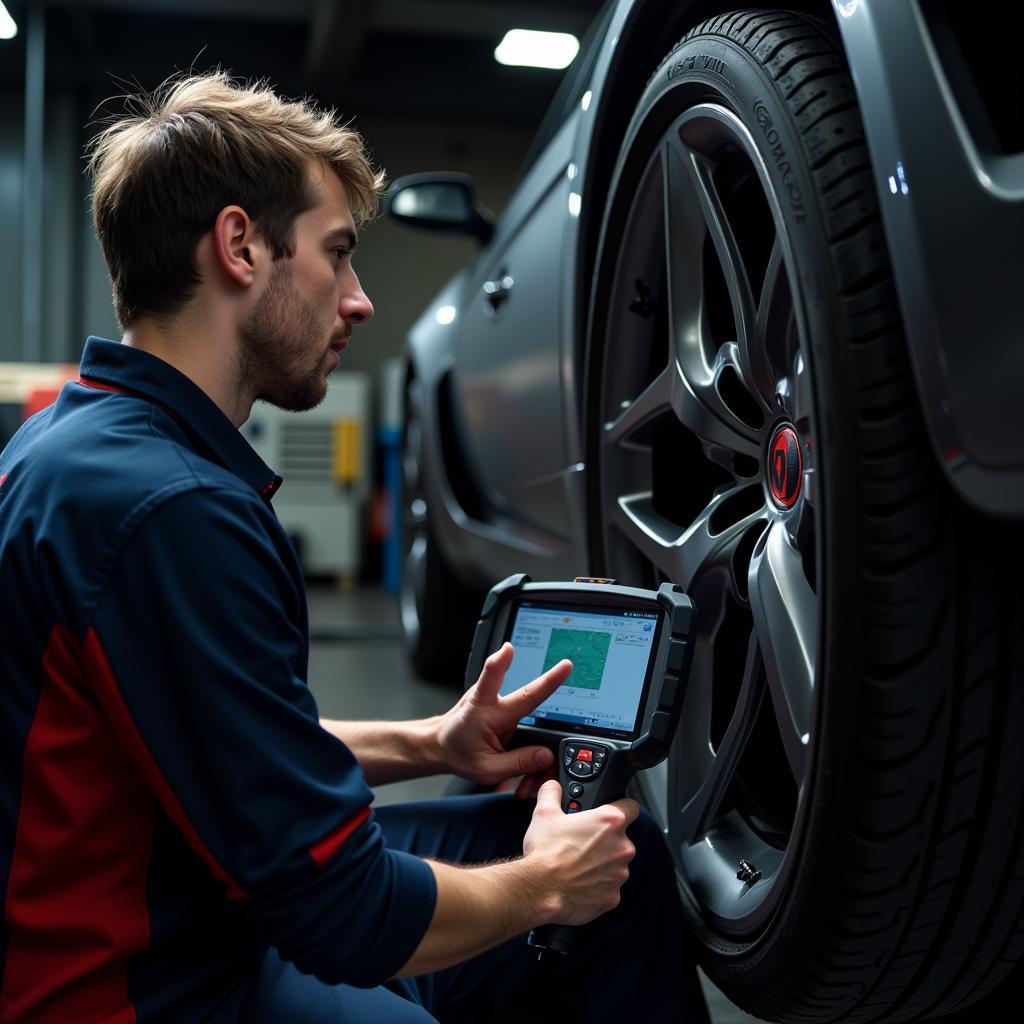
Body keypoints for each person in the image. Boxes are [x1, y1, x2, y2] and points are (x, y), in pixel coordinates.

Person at [0, 73, 710, 1023]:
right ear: (241, 246)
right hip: (155, 987)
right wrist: (545, 887)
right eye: (338, 256)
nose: (360, 301)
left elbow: (215, 741)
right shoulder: (171, 512)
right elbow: (341, 915)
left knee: (611, 864)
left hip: (173, 901)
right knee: (579, 883)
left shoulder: (71, 447)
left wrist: (432, 742)